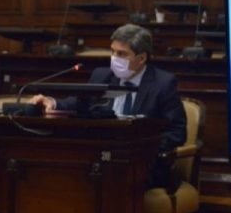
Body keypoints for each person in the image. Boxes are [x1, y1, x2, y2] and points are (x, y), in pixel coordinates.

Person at [30, 23, 187, 186]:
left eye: (122, 54)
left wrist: (143, 147)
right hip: (100, 156)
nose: (115, 58)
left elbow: (177, 131)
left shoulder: (162, 83)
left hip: (141, 164)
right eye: (112, 51)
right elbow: (80, 103)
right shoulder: (102, 75)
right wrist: (52, 102)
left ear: (142, 58)